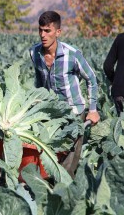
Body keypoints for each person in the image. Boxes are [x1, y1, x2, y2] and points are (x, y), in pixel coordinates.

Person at [29, 10, 100, 178]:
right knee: (49, 158)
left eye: (48, 31)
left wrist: (93, 109)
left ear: (58, 32)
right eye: (40, 30)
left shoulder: (72, 54)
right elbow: (39, 82)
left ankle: (63, 197)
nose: (43, 35)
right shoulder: (34, 53)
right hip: (51, 114)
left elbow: (92, 79)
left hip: (74, 113)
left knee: (68, 164)